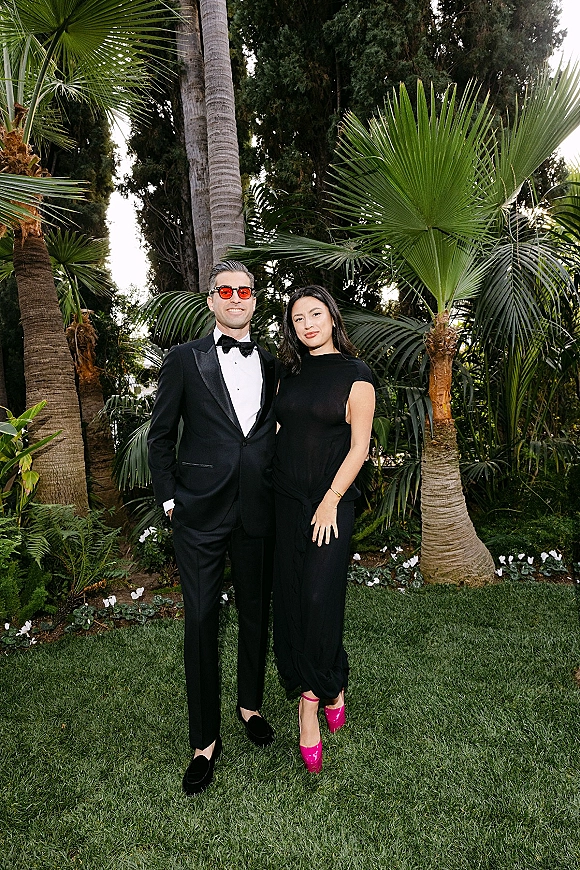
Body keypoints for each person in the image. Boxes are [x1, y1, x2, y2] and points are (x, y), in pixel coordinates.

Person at [148, 261, 277, 795]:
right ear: (212, 301)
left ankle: (249, 706)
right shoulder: (185, 360)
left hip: (257, 510)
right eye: (225, 290)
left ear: (254, 300)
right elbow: (160, 437)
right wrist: (171, 502)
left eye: (244, 290)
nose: (236, 298)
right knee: (200, 622)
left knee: (255, 613)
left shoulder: (273, 363)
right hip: (198, 514)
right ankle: (204, 742)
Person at [272, 285, 375, 773]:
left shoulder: (356, 377)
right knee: (292, 598)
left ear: (332, 318)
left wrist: (332, 500)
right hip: (286, 504)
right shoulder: (289, 376)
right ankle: (334, 683)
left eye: (315, 314)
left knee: (319, 597)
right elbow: (278, 433)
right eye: (298, 319)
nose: (307, 324)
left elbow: (359, 449)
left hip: (330, 505)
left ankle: (309, 704)